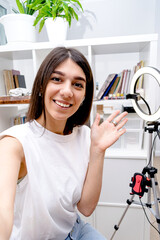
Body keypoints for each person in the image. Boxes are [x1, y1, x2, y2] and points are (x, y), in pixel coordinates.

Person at [0, 47, 128, 240]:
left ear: (85, 95)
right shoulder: (14, 142)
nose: (67, 91)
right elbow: (3, 212)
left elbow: (85, 208)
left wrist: (98, 150)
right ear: (42, 85)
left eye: (78, 85)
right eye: (57, 79)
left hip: (75, 230)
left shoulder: (86, 136)